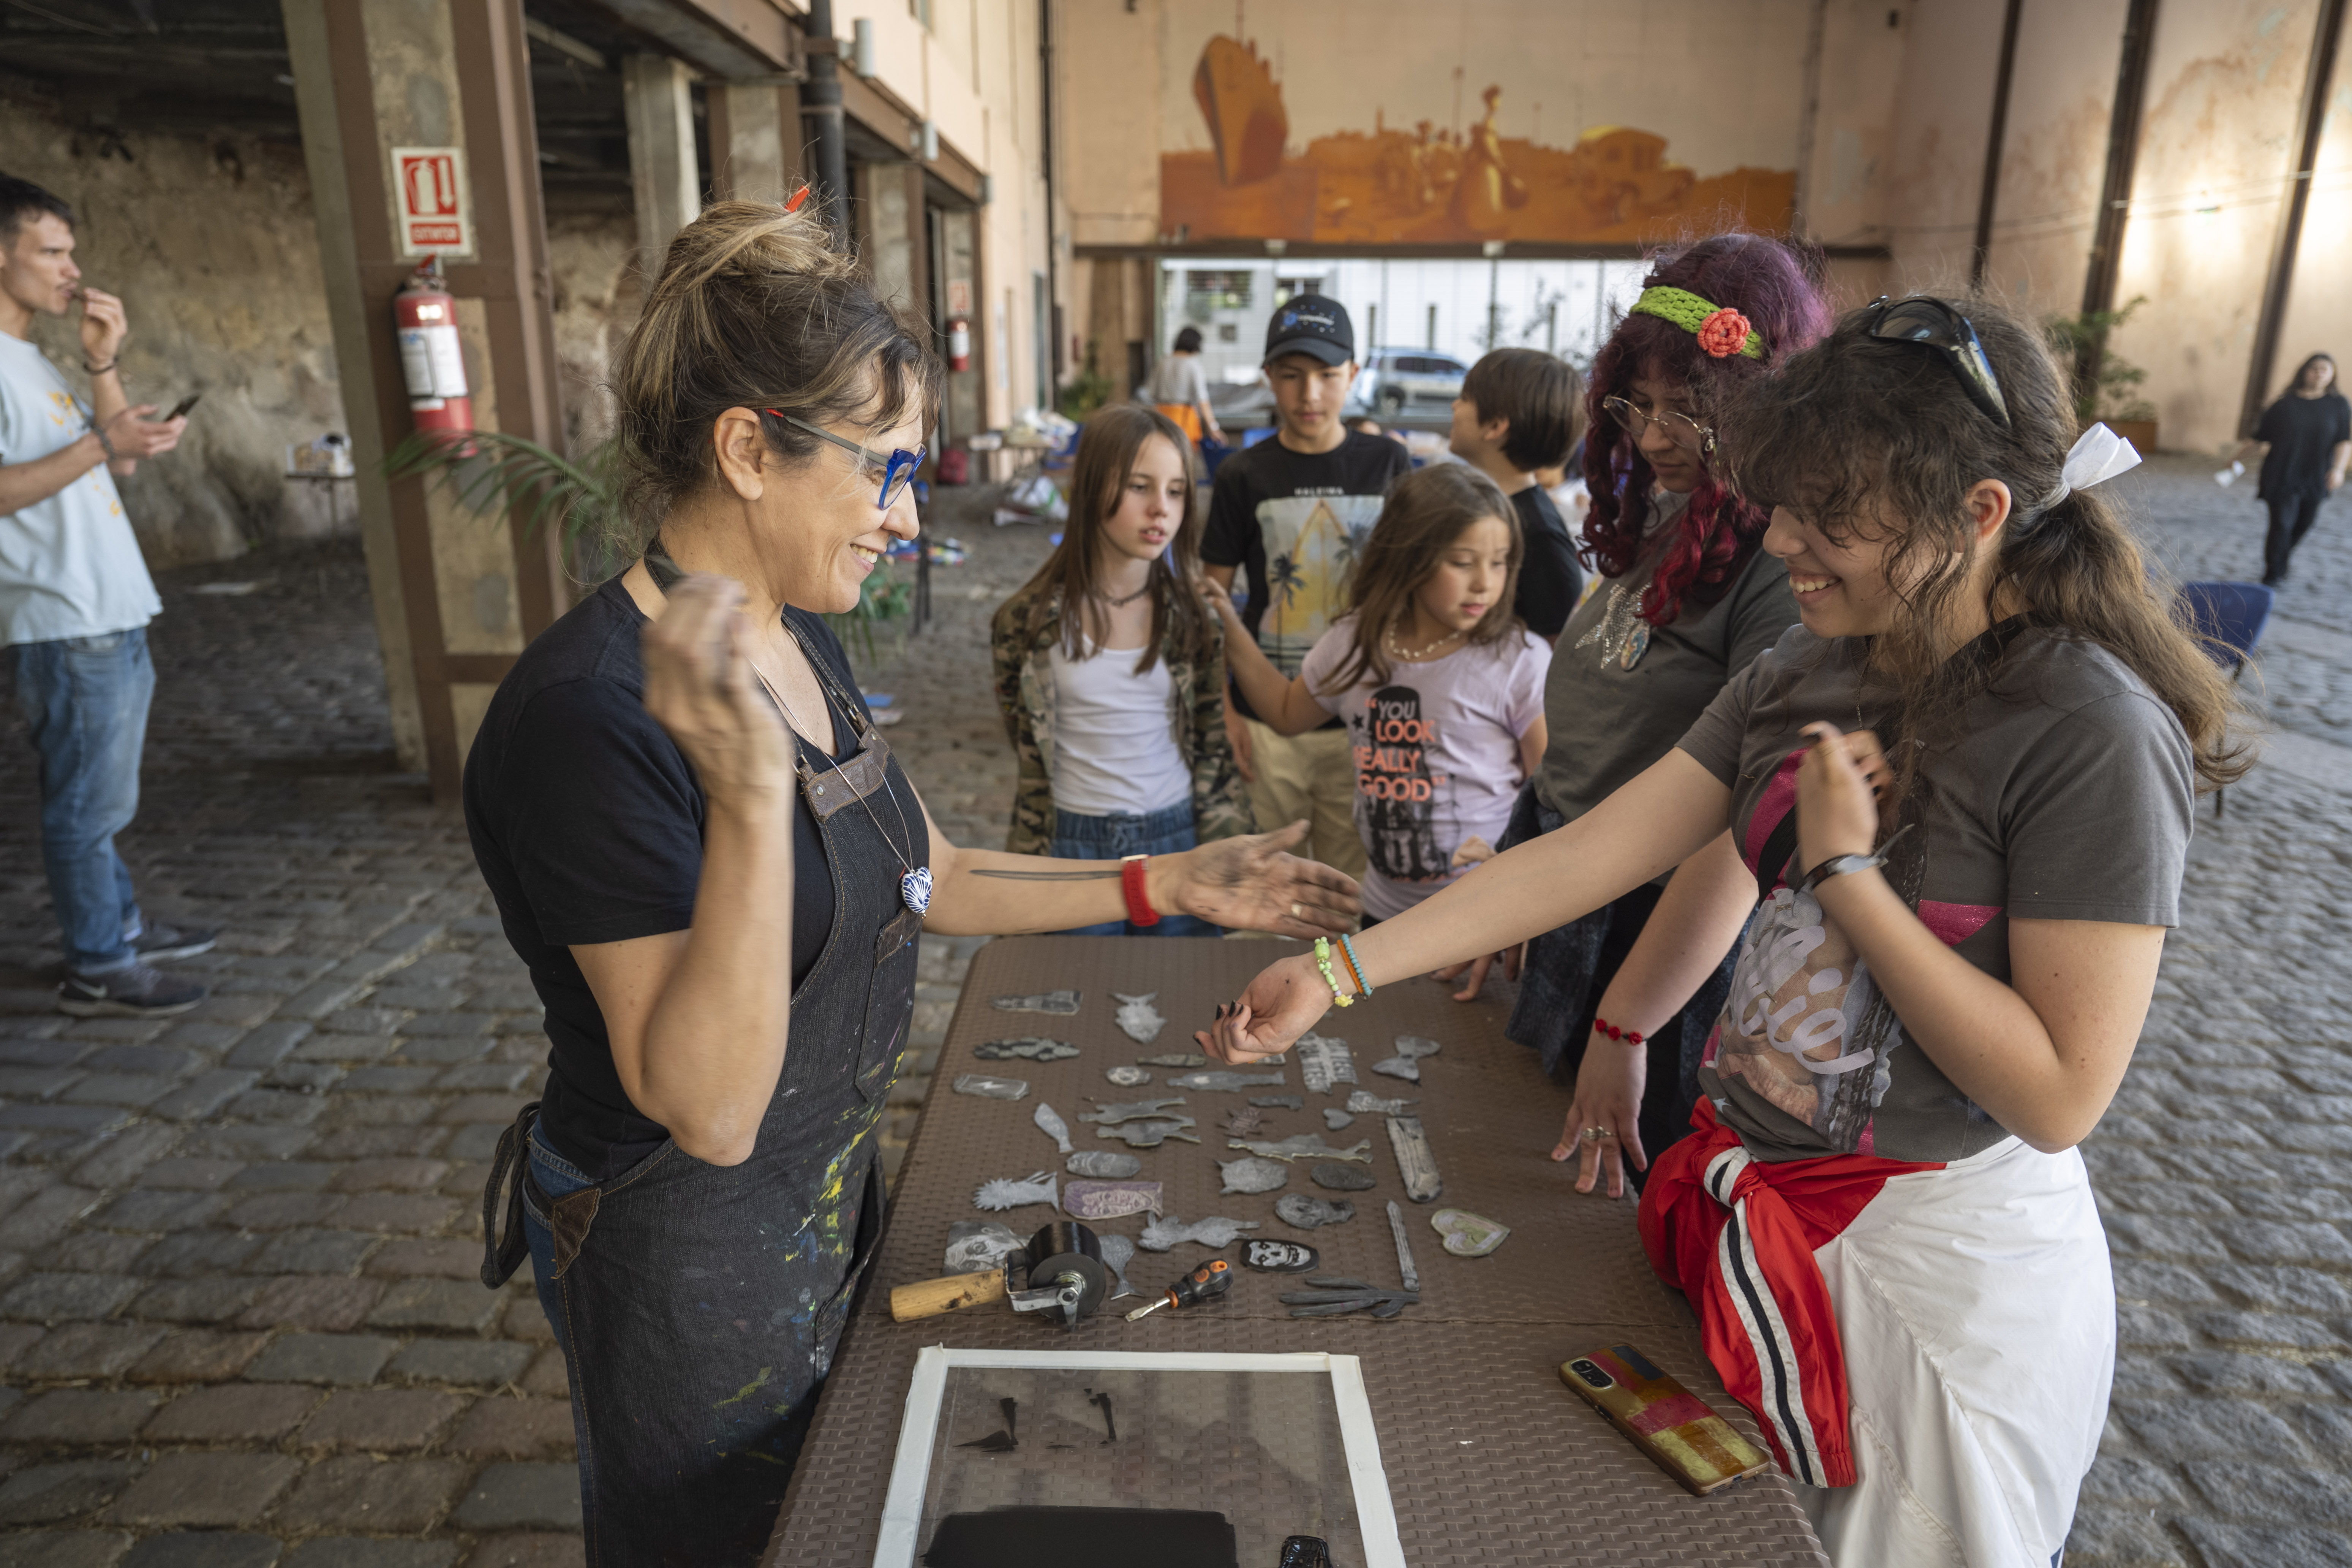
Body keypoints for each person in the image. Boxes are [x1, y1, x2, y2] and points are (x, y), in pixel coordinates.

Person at [1203, 293, 2241, 1567]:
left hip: (1933, 1283)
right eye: (1787, 499)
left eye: (1829, 512)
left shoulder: (2088, 725)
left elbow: (2059, 1090)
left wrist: (1848, 872)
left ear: (1977, 513)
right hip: (1761, 1214)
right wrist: (1338, 968)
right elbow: (1596, 850)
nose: (1784, 538)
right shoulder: (1812, 660)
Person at [464, 200, 1361, 1568]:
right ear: (748, 448)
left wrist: (1166, 876)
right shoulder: (594, 717)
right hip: (687, 1246)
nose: (904, 515)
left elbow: (923, 872)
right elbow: (703, 1106)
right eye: (882, 470)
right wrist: (752, 797)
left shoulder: (791, 630)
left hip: (824, 1194)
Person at [1447, 234, 1827, 1191]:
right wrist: (1514, 875)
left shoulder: (1781, 573)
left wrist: (1629, 1020)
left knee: (1623, 1190)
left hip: (1665, 947)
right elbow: (1589, 731)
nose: (1653, 436)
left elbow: (1741, 822)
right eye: (1638, 406)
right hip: (1579, 897)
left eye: (1688, 411)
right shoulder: (1665, 517)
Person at [0, 174, 210, 1017]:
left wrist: (103, 362)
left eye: (71, 251)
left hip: (107, 610)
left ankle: (116, 925)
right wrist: (100, 443)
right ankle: (98, 961)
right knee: (84, 805)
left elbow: (117, 460)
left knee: (100, 798)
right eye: (51, 251)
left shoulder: (34, 357)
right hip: (62, 615)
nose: (71, 269)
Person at [1208, 463, 1547, 922]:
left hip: (1480, 922)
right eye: (1463, 563)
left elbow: (1550, 799)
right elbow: (1287, 713)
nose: (1485, 582)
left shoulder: (1517, 661)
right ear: (1411, 557)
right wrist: (1228, 623)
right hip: (1382, 916)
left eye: (1500, 561)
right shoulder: (1356, 643)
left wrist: (1519, 900)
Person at [992, 403, 1250, 934]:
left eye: (1176, 491)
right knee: (1073, 1006)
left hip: (1176, 839)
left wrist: (1229, 855)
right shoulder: (1026, 621)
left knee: (1185, 1002)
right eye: (1139, 487)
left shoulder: (1193, 618)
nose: (1161, 509)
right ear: (1091, 489)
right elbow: (1024, 736)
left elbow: (1210, 746)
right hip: (1070, 846)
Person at [1202, 293, 1411, 879]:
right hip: (1267, 722)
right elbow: (1210, 602)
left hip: (1363, 718)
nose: (1309, 394)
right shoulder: (1244, 474)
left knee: (1348, 887)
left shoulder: (1389, 463)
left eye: (1326, 374)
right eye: (1292, 376)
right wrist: (1226, 713)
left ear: (1354, 372)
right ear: (1269, 377)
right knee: (1262, 882)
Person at [1448, 346, 1585, 642]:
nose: (1454, 407)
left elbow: (1553, 646)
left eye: (1465, 399)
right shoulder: (1482, 504)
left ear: (1496, 426)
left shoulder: (1539, 535)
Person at [2219, 351, 2350, 585]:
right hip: (2282, 474)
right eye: (2314, 368)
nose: (2319, 373)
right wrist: (2236, 460)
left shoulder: (2338, 405)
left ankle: (2281, 559)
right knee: (2282, 523)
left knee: (2305, 523)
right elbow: (2259, 438)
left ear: (2332, 375)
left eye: (2325, 369)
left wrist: (2339, 470)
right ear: (2304, 372)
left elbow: (2343, 440)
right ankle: (2273, 574)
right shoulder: (2284, 404)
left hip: (2316, 474)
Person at [1144, 325, 1223, 449]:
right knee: (1185, 459)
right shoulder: (1194, 366)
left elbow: (1150, 393)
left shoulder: (1162, 363)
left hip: (1161, 418)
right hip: (1184, 420)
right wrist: (1214, 428)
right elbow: (1202, 400)